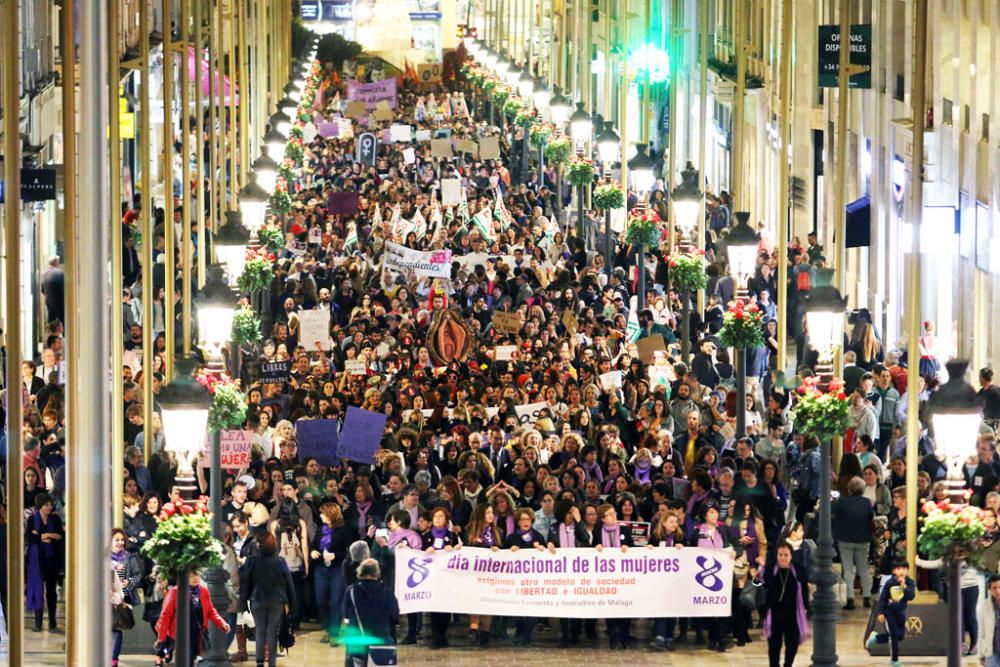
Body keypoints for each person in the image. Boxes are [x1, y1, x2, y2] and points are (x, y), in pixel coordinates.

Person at [240, 531, 296, 667]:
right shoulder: (280, 561)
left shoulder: (251, 561)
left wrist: (243, 602)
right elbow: (289, 584)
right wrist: (292, 604)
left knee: (260, 631)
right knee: (272, 632)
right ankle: (272, 663)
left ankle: (259, 662)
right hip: (276, 601)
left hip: (257, 599)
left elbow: (245, 582)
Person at [155, 571, 230, 666]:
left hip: (197, 635)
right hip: (180, 635)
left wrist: (222, 623)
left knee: (191, 659)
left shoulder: (203, 591)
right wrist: (161, 637)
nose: (195, 578)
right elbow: (166, 615)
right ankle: (161, 657)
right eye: (191, 576)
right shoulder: (175, 592)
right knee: (185, 660)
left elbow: (210, 611)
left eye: (196, 575)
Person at [343, 558, 400, 667]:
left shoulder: (351, 591)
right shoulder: (386, 592)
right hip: (381, 641)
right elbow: (395, 615)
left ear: (360, 572)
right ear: (377, 573)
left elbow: (345, 614)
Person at [762, 542, 810, 667]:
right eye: (780, 555)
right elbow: (759, 586)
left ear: (791, 556)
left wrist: (806, 607)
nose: (783, 558)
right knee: (774, 644)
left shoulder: (799, 570)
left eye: (786, 555)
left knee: (792, 643)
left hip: (793, 613)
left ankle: (788, 664)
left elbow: (804, 589)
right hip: (774, 612)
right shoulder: (769, 568)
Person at [311, 502, 352, 642]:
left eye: (323, 513)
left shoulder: (343, 530)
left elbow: (349, 551)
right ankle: (328, 628)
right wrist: (313, 551)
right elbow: (314, 545)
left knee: (336, 601)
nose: (320, 515)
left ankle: (334, 632)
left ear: (331, 514)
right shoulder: (321, 529)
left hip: (337, 570)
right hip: (320, 569)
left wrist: (336, 555)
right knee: (321, 600)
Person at [832, 476, 875, 610]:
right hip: (862, 539)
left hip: (845, 539)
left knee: (848, 570)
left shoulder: (842, 502)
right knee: (863, 569)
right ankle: (867, 597)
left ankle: (850, 598)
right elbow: (871, 519)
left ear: (849, 489)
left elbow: (832, 512)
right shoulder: (867, 502)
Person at [25, 493, 64, 632]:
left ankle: (52, 620)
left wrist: (43, 535)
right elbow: (30, 538)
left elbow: (60, 536)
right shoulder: (32, 519)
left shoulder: (55, 519)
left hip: (52, 560)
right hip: (37, 560)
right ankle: (38, 621)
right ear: (40, 506)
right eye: (46, 505)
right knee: (38, 590)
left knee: (51, 591)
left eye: (50, 504)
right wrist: (48, 535)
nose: (50, 507)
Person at [866, 560, 916, 666]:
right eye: (898, 569)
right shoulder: (890, 582)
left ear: (907, 570)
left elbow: (911, 596)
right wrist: (880, 613)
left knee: (900, 636)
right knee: (893, 636)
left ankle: (876, 638)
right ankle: (894, 660)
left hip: (900, 613)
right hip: (889, 613)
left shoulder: (910, 582)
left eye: (904, 569)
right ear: (894, 571)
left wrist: (904, 587)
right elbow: (883, 598)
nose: (901, 571)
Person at [978, 574, 1000, 666]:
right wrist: (981, 653)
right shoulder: (986, 605)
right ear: (990, 590)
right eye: (994, 588)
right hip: (992, 652)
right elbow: (982, 631)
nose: (998, 591)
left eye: (999, 587)